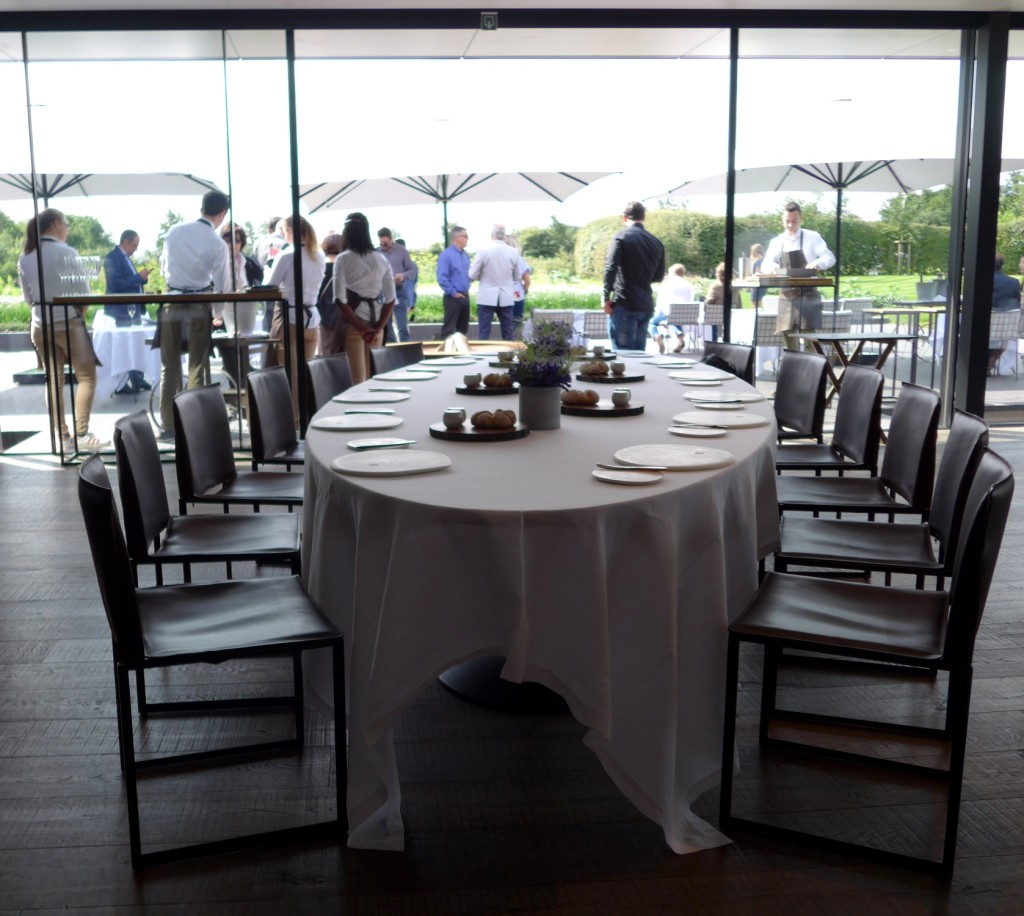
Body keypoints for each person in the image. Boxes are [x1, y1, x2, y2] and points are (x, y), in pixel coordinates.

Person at [18, 208, 104, 451]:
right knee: (87, 376)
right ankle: (82, 433)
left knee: (52, 379)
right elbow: (84, 294)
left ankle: (63, 437)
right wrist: (80, 314)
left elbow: (28, 298)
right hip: (67, 321)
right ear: (56, 224)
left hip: (38, 324)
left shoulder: (26, 255)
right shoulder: (67, 252)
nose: (67, 229)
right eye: (65, 224)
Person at [157, 189, 232, 438]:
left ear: (202, 207)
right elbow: (222, 284)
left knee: (170, 366)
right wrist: (218, 312)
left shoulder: (175, 231)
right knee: (197, 366)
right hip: (200, 303)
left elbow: (164, 265)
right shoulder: (218, 244)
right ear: (221, 214)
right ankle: (193, 424)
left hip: (172, 300)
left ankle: (168, 425)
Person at [268, 215, 326, 421]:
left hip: (292, 317)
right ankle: (308, 416)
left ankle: (293, 422)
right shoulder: (318, 255)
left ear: (290, 231)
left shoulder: (287, 255)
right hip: (312, 319)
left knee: (291, 376)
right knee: (307, 373)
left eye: (284, 231)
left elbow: (271, 284)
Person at [761, 201, 836, 350]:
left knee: (810, 341)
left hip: (808, 294)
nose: (790, 225)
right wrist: (772, 267)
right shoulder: (777, 242)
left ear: (801, 218)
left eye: (794, 221)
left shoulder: (813, 237)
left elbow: (830, 258)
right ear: (783, 220)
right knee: (789, 342)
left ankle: (813, 371)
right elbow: (765, 264)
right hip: (787, 296)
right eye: (787, 221)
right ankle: (792, 370)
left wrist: (818, 263)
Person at [331, 212, 396, 384]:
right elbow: (391, 299)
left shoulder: (343, 259)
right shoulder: (381, 259)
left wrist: (361, 328)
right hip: (376, 324)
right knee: (373, 378)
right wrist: (378, 328)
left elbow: (339, 299)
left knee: (357, 379)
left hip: (354, 322)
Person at [602, 201, 666, 352]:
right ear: (643, 217)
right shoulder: (656, 242)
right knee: (640, 355)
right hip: (645, 304)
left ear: (625, 218)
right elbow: (658, 277)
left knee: (623, 356)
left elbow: (610, 268)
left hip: (625, 302)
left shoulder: (621, 238)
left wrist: (605, 297)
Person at [469, 223, 521, 341]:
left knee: (484, 332)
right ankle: (509, 356)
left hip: (486, 296)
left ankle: (484, 357)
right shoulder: (513, 252)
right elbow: (517, 276)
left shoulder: (483, 250)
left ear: (492, 234)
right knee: (508, 332)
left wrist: (481, 277)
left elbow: (472, 274)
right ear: (504, 235)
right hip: (506, 296)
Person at [377, 228, 417, 342]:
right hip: (382, 292)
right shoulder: (377, 252)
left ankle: (406, 351)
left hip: (399, 290)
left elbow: (412, 270)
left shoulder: (401, 251)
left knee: (402, 325)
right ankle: (391, 351)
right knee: (387, 327)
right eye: (382, 243)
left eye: (386, 243)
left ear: (391, 240)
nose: (384, 246)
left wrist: (403, 276)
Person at [102, 229, 150, 325]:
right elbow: (117, 284)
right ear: (125, 242)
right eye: (134, 245)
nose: (136, 249)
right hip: (121, 313)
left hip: (132, 312)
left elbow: (130, 280)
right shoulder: (112, 257)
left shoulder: (126, 258)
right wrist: (139, 277)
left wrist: (142, 278)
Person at [436, 226, 471, 339]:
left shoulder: (465, 255)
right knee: (449, 330)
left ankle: (460, 353)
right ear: (457, 238)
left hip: (465, 295)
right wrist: (453, 293)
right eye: (465, 236)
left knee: (463, 330)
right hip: (453, 298)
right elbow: (442, 277)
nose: (467, 238)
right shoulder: (446, 255)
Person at [989, 252, 1022, 371]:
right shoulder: (1013, 282)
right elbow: (1017, 302)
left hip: (987, 325)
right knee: (1005, 336)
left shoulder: (981, 280)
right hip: (1006, 327)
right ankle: (992, 360)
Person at [653, 263, 694, 354]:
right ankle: (680, 338)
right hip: (687, 316)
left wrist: (658, 312)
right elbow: (691, 300)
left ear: (672, 272)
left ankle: (657, 336)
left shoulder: (667, 285)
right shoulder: (689, 286)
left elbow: (660, 302)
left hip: (670, 315)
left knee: (652, 322)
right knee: (675, 319)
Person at [316, 232, 345, 355]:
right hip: (343, 317)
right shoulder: (344, 267)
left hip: (323, 317)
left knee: (326, 352)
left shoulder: (319, 267)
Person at [505, 234, 532, 333]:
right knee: (516, 323)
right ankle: (516, 344)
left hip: (503, 294)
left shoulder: (500, 259)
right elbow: (527, 280)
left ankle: (506, 344)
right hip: (517, 294)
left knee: (506, 323)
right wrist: (524, 290)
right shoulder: (519, 259)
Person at [748, 242, 766, 313]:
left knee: (754, 303)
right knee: (759, 304)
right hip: (764, 284)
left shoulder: (758, 261)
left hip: (757, 284)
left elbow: (758, 273)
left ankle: (754, 320)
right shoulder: (765, 260)